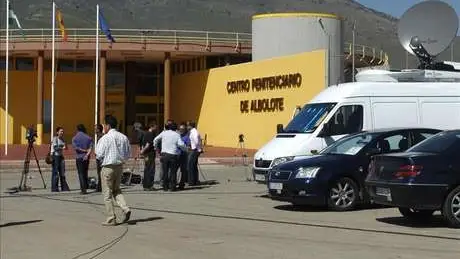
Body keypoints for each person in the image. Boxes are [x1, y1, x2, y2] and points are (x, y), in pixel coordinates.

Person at [95, 115, 132, 226]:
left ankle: (111, 218)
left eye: (104, 125)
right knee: (116, 190)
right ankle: (125, 208)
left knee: (107, 194)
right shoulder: (123, 137)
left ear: (108, 125)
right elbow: (127, 154)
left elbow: (99, 154)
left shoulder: (105, 138)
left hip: (108, 167)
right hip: (119, 166)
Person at [153, 122, 185, 191]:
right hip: (173, 155)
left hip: (164, 154)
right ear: (176, 128)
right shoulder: (177, 135)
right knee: (173, 172)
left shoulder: (164, 133)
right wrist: (185, 149)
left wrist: (156, 148)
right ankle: (172, 187)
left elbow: (155, 139)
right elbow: (181, 145)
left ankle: (165, 187)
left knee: (165, 171)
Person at [72, 124, 93, 194]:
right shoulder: (88, 137)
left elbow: (76, 148)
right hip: (86, 157)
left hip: (79, 157)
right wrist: (87, 154)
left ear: (77, 129)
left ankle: (83, 189)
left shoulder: (75, 138)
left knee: (80, 173)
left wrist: (83, 150)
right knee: (85, 172)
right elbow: (90, 148)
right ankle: (86, 185)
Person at [51, 127, 70, 192]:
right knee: (55, 173)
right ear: (57, 132)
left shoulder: (62, 139)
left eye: (62, 131)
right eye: (61, 131)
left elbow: (66, 147)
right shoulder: (55, 139)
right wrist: (62, 147)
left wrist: (64, 146)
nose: (62, 132)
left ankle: (64, 187)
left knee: (62, 172)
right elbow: (55, 148)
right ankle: (54, 188)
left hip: (61, 157)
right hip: (56, 157)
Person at [140, 122, 158, 191]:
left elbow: (143, 143)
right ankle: (149, 185)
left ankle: (146, 185)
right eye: (155, 127)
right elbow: (148, 144)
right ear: (152, 126)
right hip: (150, 154)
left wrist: (142, 151)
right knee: (150, 169)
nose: (156, 128)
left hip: (146, 154)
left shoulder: (146, 133)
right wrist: (143, 151)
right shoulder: (150, 134)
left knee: (147, 169)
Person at [187, 121, 202, 186]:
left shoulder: (194, 132)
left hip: (194, 150)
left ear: (190, 126)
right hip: (195, 150)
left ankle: (192, 181)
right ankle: (195, 180)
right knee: (194, 166)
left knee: (191, 166)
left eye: (188, 125)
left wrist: (194, 148)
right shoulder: (193, 131)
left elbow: (196, 140)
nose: (187, 127)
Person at [178, 123, 191, 190]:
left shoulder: (187, 137)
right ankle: (173, 183)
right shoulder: (177, 136)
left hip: (183, 156)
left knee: (183, 171)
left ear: (185, 130)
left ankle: (181, 184)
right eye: (180, 129)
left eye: (182, 129)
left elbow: (189, 147)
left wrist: (185, 149)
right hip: (177, 156)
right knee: (174, 170)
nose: (181, 130)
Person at [94, 124, 104, 192]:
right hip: (99, 157)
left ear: (98, 129)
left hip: (101, 158)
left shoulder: (101, 137)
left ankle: (100, 187)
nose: (94, 130)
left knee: (100, 172)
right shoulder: (98, 136)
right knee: (99, 173)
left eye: (95, 128)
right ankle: (100, 186)